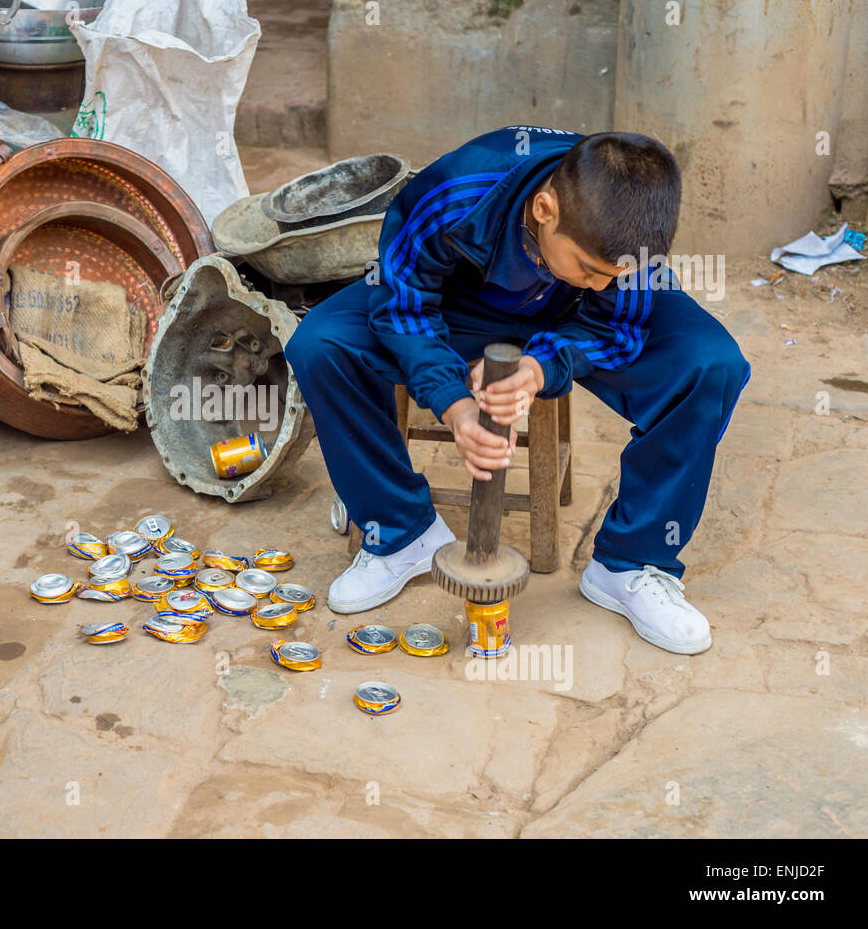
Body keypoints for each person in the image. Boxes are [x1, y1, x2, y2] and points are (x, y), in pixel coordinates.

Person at [285, 126, 750, 655]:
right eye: (590, 268)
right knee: (321, 343)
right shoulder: (457, 190)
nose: (603, 281)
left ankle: (633, 562)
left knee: (711, 363)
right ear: (545, 208)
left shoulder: (626, 240)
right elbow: (404, 304)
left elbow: (613, 326)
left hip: (578, 323)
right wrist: (454, 402)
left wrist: (540, 366)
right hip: (464, 308)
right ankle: (399, 531)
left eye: (614, 274)